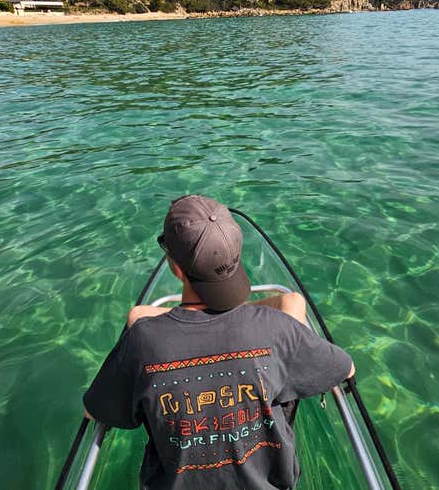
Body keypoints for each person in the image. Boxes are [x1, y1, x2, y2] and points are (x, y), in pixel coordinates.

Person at [83, 195, 354, 490]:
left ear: (174, 266)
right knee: (293, 304)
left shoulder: (141, 342)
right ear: (236, 253)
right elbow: (346, 368)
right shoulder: (278, 330)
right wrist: (265, 312)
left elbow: (95, 409)